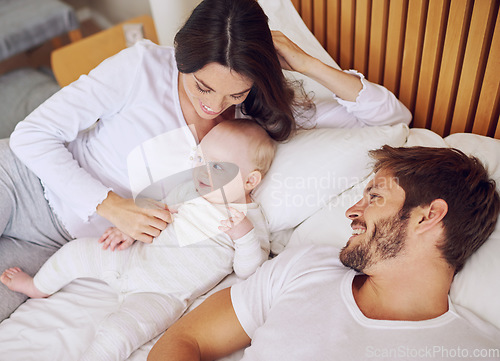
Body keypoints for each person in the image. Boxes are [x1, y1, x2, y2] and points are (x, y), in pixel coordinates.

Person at [0, 0, 411, 320]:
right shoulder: (140, 68)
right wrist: (112, 207)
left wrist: (305, 63)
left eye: (234, 94)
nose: (214, 106)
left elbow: (390, 118)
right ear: (183, 54)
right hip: (22, 184)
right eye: (202, 86)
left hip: (62, 241)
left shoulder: (258, 114)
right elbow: (31, 136)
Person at [147, 145, 500, 361]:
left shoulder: (475, 350)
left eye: (375, 197)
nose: (352, 211)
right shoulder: (307, 265)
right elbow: (184, 338)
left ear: (429, 215)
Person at [1, 119, 275, 360]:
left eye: (216, 167)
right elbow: (153, 214)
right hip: (131, 259)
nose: (201, 172)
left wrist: (244, 236)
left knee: (120, 332)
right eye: (200, 160)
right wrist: (127, 231)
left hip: (163, 294)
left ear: (250, 180)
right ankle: (39, 286)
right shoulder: (188, 192)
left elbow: (249, 271)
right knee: (76, 252)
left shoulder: (250, 221)